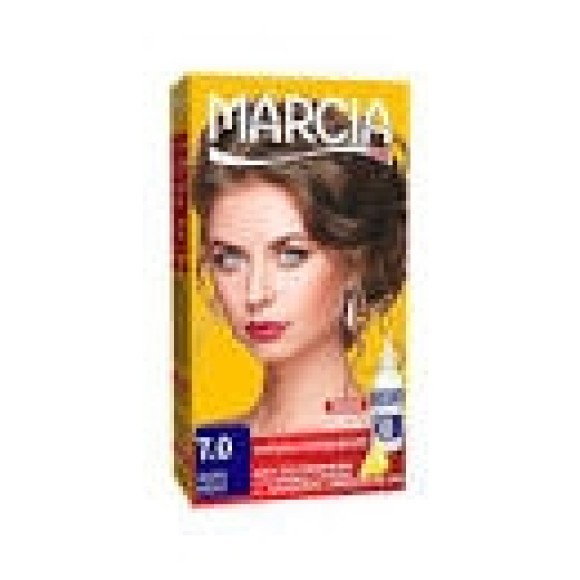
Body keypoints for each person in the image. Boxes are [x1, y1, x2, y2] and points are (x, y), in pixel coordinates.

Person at [192, 101, 406, 437]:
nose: (255, 294)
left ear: (356, 262)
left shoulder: (391, 449)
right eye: (229, 259)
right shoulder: (211, 449)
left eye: (291, 255)